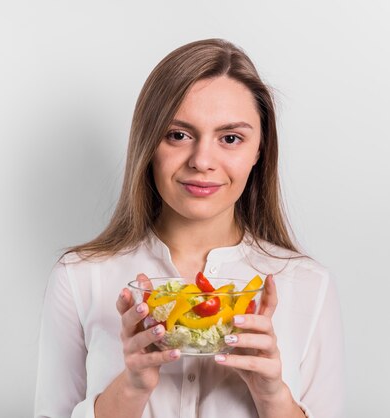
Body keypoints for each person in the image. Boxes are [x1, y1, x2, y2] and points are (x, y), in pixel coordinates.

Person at [34, 38, 345, 418]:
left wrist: (273, 397)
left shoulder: (309, 284)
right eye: (178, 135)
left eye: (230, 138)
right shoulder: (80, 277)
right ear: (148, 143)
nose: (202, 160)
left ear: (259, 150)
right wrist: (131, 387)